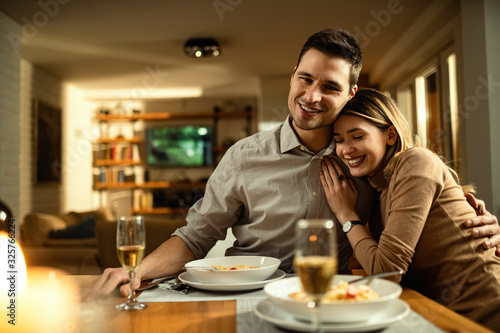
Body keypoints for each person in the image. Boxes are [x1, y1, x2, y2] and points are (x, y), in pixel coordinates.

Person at [87, 28, 500, 300]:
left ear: (351, 93)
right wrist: (138, 271)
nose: (312, 96)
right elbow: (196, 237)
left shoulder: (367, 166)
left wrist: (477, 218)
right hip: (241, 294)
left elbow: (422, 207)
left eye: (330, 86)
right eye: (306, 78)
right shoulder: (243, 157)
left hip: (325, 296)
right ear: (293, 77)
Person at [320, 88, 500, 328]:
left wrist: (346, 214)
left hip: (486, 310)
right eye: (339, 140)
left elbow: (386, 272)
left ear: (391, 135)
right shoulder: (379, 195)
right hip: (440, 315)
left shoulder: (415, 162)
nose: (346, 149)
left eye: (358, 136)